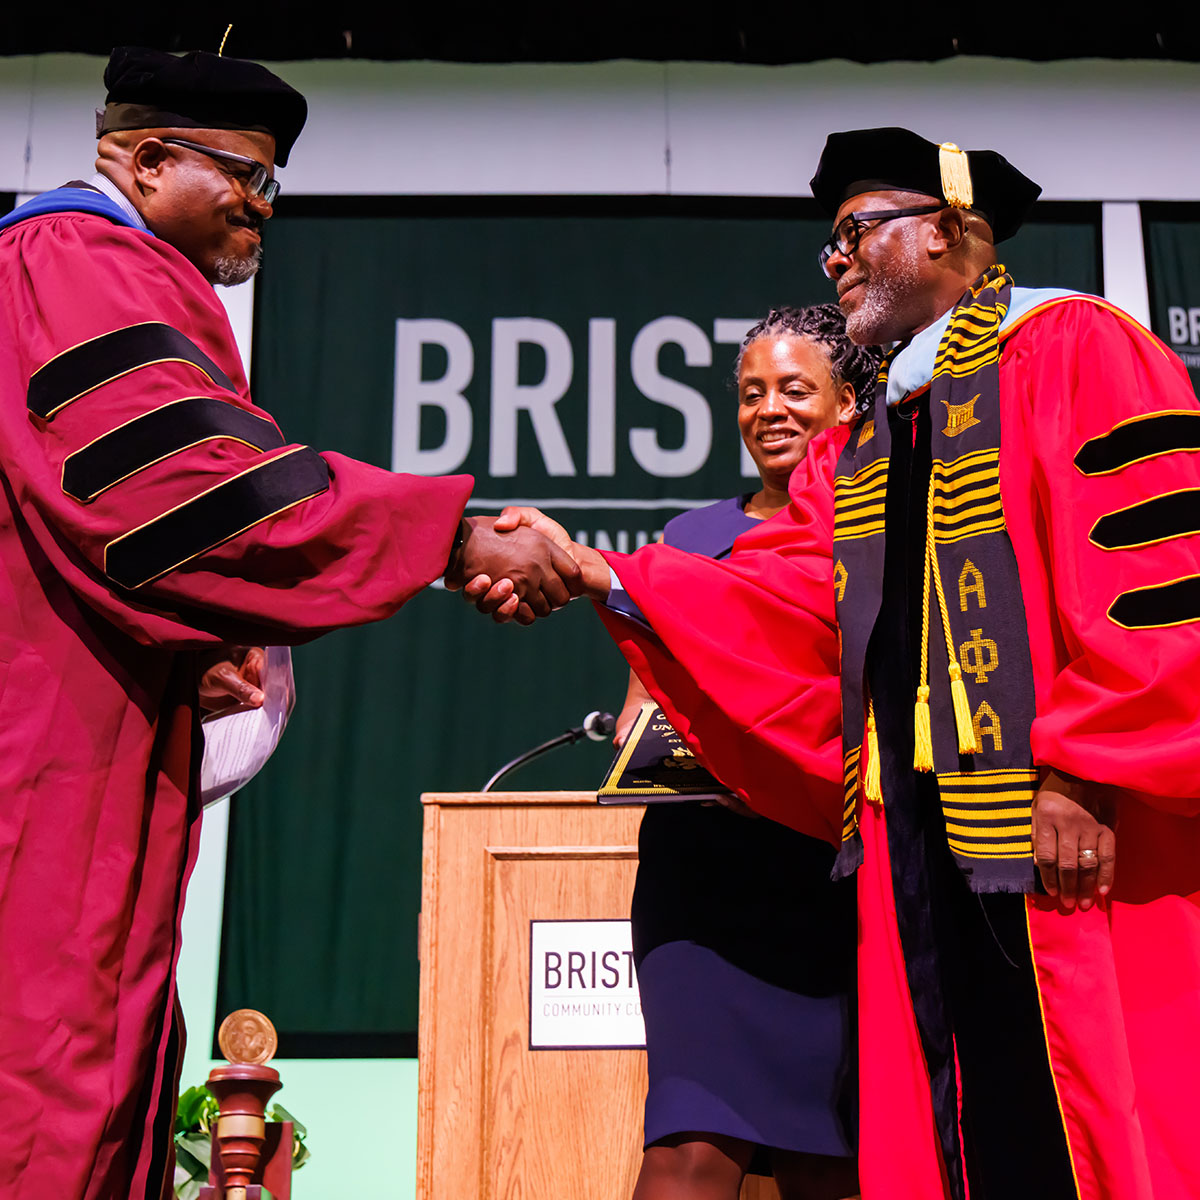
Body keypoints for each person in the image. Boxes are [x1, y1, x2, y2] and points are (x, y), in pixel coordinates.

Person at [475, 130, 1200, 1200]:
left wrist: (1089, 770)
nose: (840, 261)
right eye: (833, 245)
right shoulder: (863, 447)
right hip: (914, 843)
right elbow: (774, 595)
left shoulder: (1073, 346)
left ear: (949, 230)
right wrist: (590, 570)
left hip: (1061, 832)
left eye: (858, 232)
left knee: (1076, 1108)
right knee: (953, 1121)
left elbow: (1155, 568)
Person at [0, 46, 577, 1200]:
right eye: (246, 177)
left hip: (92, 735)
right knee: (42, 1085)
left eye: (275, 186)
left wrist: (217, 642)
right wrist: (453, 536)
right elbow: (168, 493)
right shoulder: (70, 256)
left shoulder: (120, 270)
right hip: (44, 748)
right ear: (147, 156)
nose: (263, 210)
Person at [625, 307, 874, 1200]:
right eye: (752, 393)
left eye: (796, 390)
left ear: (849, 403)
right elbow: (643, 712)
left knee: (831, 1157)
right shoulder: (688, 541)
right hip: (707, 886)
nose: (770, 409)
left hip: (832, 879)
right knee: (689, 1141)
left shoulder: (881, 532)